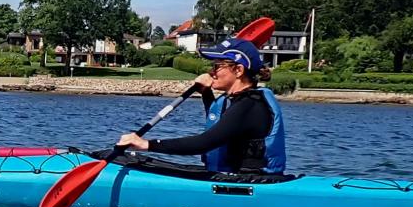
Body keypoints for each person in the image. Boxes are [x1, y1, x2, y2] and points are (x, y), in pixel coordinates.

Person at [116, 37, 286, 174]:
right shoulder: (239, 100)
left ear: (239, 70)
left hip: (252, 182)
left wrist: (147, 144)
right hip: (234, 176)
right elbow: (221, 124)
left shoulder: (249, 105)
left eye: (217, 66)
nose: (212, 72)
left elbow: (204, 143)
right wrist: (206, 93)